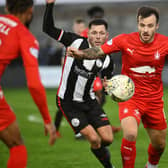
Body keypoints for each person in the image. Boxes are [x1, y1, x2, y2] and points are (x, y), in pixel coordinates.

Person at [68, 6, 168, 168]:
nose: (146, 30)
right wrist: (82, 54)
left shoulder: (165, 43)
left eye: (150, 26)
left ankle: (151, 166)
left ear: (157, 26)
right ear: (137, 24)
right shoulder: (124, 40)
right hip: (130, 97)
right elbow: (99, 51)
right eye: (142, 25)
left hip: (155, 101)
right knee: (130, 134)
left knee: (160, 145)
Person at [43, 0, 115, 167]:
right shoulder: (74, 42)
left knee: (108, 138)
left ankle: (98, 150)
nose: (97, 37)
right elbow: (48, 29)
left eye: (101, 33)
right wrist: (49, 5)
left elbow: (107, 85)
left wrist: (110, 89)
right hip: (68, 102)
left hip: (89, 101)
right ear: (87, 34)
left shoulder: (107, 59)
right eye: (94, 33)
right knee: (94, 139)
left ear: (107, 36)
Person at [0, 0, 57, 167]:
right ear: (30, 10)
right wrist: (47, 120)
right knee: (17, 147)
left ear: (7, 7)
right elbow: (33, 84)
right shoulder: (24, 36)